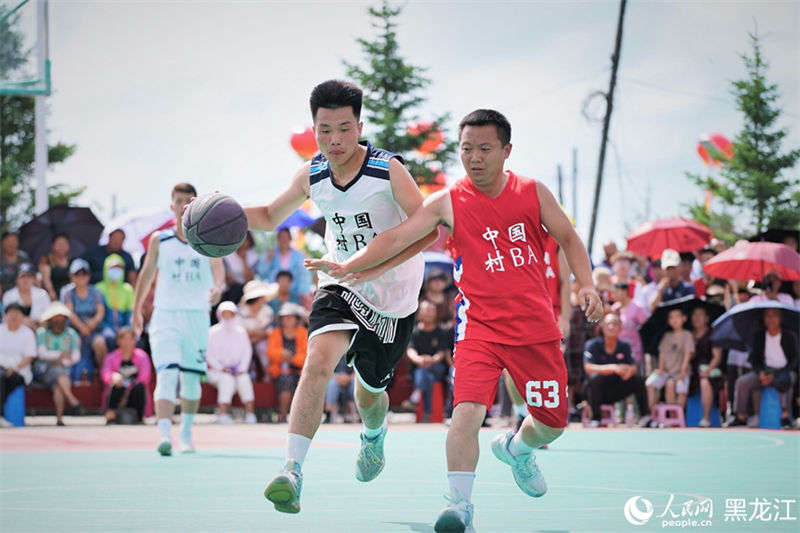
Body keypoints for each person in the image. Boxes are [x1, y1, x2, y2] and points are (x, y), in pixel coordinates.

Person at [307, 109, 603, 531]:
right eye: (467, 149)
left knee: (553, 423)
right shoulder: (447, 201)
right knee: (466, 414)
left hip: (536, 329)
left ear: (507, 151)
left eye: (485, 149)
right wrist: (349, 265)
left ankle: (518, 448)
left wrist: (587, 285)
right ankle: (458, 505)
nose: (475, 158)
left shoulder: (533, 192)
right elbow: (397, 237)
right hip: (478, 328)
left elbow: (569, 238)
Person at [243, 80, 437, 514]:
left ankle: (373, 435)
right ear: (313, 129)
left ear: (360, 126)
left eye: (345, 129)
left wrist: (374, 267)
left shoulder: (387, 171)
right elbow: (271, 215)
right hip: (339, 281)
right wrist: (219, 213)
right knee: (316, 363)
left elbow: (430, 230)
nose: (334, 139)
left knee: (369, 395)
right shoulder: (312, 174)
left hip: (393, 297)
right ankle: (291, 470)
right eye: (324, 129)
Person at [132, 182, 225, 456]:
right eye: (178, 200)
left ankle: (185, 434)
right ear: (172, 204)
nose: (182, 204)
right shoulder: (159, 240)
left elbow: (219, 273)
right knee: (167, 374)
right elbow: (147, 275)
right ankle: (163, 435)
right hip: (165, 316)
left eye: (188, 200)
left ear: (193, 204)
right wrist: (137, 309)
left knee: (191, 381)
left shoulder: (209, 238)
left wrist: (217, 289)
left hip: (196, 316)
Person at [729, 308, 798, 429]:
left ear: (780, 318)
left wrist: (775, 375)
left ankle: (785, 417)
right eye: (768, 316)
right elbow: (755, 360)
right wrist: (760, 372)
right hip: (765, 371)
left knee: (784, 381)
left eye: (774, 315)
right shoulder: (759, 336)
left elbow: (795, 360)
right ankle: (740, 417)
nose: (771, 319)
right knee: (742, 382)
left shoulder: (790, 336)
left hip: (785, 371)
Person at [582, 313, 652, 428]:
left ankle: (646, 417)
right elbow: (588, 368)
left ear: (620, 328)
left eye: (615, 323)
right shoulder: (591, 345)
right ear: (602, 327)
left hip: (615, 390)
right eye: (608, 323)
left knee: (638, 379)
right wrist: (614, 368)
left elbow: (633, 367)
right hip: (593, 391)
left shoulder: (625, 346)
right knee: (596, 378)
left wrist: (628, 371)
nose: (611, 326)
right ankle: (596, 419)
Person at [206, 301, 257, 424]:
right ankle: (222, 413)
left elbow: (247, 351)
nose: (228, 317)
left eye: (231, 314)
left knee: (244, 379)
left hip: (238, 371)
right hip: (216, 371)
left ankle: (250, 414)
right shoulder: (212, 332)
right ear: (220, 315)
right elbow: (208, 355)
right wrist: (221, 368)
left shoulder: (241, 332)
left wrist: (242, 368)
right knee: (226, 380)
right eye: (225, 314)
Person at [33, 301, 83, 426]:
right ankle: (73, 401)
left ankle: (59, 418)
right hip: (44, 371)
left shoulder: (71, 334)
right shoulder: (42, 333)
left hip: (63, 370)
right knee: (59, 374)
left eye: (61, 317)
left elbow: (76, 356)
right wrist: (60, 355)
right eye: (56, 317)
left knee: (58, 385)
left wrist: (61, 361)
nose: (58, 320)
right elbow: (42, 353)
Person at [401, 300, 451, 422]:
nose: (429, 313)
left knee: (425, 372)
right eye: (427, 310)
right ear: (420, 313)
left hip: (437, 367)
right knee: (426, 376)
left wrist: (432, 360)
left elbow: (442, 352)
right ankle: (427, 412)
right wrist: (419, 359)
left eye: (432, 311)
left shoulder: (441, 331)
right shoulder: (414, 332)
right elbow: (410, 350)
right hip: (419, 366)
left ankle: (416, 397)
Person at [61, 258, 106, 382]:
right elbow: (69, 313)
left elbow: (100, 311)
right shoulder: (67, 292)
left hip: (93, 329)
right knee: (76, 342)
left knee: (100, 343)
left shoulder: (96, 291)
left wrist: (92, 323)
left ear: (89, 276)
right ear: (71, 276)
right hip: (73, 330)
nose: (80, 277)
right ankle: (74, 376)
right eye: (77, 274)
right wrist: (82, 327)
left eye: (83, 274)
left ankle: (103, 374)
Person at [267, 302, 309, 423]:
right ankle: (283, 415)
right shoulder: (275, 333)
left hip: (300, 370)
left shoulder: (303, 333)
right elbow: (270, 352)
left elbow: (307, 354)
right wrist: (281, 354)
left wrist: (292, 359)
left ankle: (300, 419)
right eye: (285, 317)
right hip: (279, 371)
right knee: (286, 380)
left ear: (296, 319)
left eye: (291, 317)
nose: (288, 319)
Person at [101, 327, 152, 424]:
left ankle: (140, 417)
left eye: (130, 339)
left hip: (134, 393)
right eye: (123, 339)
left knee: (139, 387)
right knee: (115, 385)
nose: (127, 342)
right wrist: (113, 376)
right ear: (118, 341)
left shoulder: (142, 356)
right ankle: (111, 415)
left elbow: (145, 377)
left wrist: (127, 391)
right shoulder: (110, 357)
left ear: (134, 341)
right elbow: (105, 373)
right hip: (118, 392)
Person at [645, 308, 693, 410]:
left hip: (682, 372)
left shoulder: (687, 335)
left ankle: (677, 416)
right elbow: (662, 353)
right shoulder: (666, 336)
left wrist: (683, 371)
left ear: (684, 318)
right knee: (650, 383)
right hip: (667, 372)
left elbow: (688, 354)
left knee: (681, 390)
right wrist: (661, 369)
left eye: (677, 316)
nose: (674, 320)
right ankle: (651, 413)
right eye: (671, 317)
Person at [256, 227, 313, 307]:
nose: (284, 240)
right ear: (277, 239)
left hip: (294, 294)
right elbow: (261, 273)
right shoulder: (270, 253)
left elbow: (304, 276)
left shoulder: (299, 255)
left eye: (286, 237)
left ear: (290, 239)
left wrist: (301, 292)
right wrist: (268, 259)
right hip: (273, 294)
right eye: (281, 237)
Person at [0, 303, 36, 427]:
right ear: (5, 316)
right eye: (11, 314)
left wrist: (14, 368)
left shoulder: (27, 333)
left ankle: (1, 415)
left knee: (4, 379)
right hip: (1, 369)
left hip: (20, 372)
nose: (14, 317)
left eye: (17, 314)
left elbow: (29, 356)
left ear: (23, 317)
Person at [687, 306, 723, 428]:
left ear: (706, 318)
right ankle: (678, 417)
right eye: (694, 315)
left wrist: (707, 370)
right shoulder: (688, 335)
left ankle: (706, 418)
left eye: (700, 314)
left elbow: (717, 357)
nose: (697, 318)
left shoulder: (713, 335)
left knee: (705, 382)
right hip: (691, 371)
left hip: (710, 370)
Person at [95, 254, 135, 354]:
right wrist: (107, 328)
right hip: (106, 327)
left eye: (119, 268)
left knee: (133, 340)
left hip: (124, 326)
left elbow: (130, 314)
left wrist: (126, 330)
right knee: (110, 338)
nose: (116, 271)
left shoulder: (128, 289)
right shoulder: (99, 288)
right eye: (113, 268)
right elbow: (98, 314)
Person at [237, 280, 275, 381]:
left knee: (263, 347)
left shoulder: (267, 311)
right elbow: (240, 333)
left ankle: (268, 374)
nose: (262, 300)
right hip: (242, 341)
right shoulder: (240, 311)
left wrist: (253, 336)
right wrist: (249, 339)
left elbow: (268, 332)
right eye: (260, 298)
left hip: (260, 340)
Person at [610, 280, 649, 369]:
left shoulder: (636, 307)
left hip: (634, 348)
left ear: (624, 291)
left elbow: (645, 325)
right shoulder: (614, 308)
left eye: (616, 292)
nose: (614, 295)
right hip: (617, 348)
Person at [2, 263, 52, 330]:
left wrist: (35, 323)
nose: (26, 280)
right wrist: (25, 322)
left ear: (34, 279)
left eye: (29, 277)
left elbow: (48, 317)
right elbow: (6, 318)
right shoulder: (9, 295)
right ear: (16, 279)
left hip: (39, 331)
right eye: (22, 277)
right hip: (15, 332)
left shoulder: (42, 294)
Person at [221, 231, 257, 306]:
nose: (243, 243)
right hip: (231, 290)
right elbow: (229, 279)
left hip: (247, 290)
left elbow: (250, 280)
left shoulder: (254, 257)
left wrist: (244, 260)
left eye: (246, 240)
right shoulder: (227, 255)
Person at [38, 233, 72, 301]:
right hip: (51, 293)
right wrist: (51, 292)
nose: (61, 246)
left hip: (69, 293)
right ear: (53, 246)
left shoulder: (72, 260)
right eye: (59, 244)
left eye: (64, 243)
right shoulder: (46, 259)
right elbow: (46, 278)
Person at [324, 356, 356, 423]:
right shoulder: (332, 353)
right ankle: (328, 414)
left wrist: (348, 378)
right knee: (332, 384)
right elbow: (326, 370)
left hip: (350, 379)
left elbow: (358, 370)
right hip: (334, 378)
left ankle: (359, 413)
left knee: (355, 383)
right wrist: (338, 377)